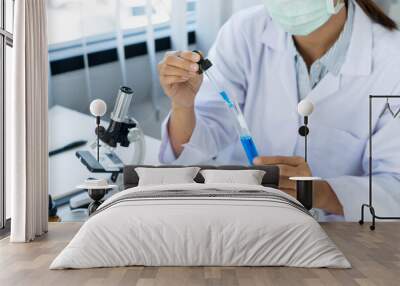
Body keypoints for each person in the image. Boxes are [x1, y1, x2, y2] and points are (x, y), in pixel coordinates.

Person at [157, 0, 400, 221]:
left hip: (336, 236)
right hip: (239, 219)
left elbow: (394, 188)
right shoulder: (245, 30)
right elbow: (199, 142)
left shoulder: (392, 60)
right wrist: (183, 106)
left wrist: (319, 192)